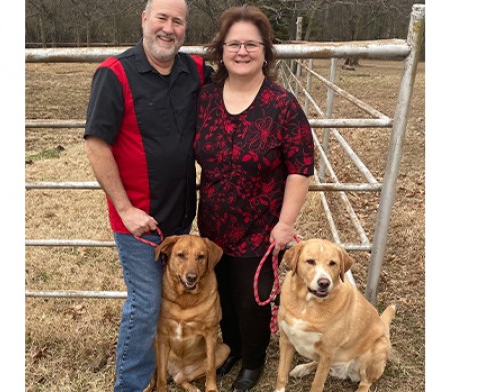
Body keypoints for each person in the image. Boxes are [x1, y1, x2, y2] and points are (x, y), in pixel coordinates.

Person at [83, 0, 212, 390]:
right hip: (138, 220)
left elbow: (240, 78)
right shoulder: (115, 73)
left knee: (174, 293)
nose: (168, 28)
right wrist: (124, 209)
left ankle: (169, 364)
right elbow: (96, 144)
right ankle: (131, 385)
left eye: (178, 21)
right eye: (161, 18)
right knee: (146, 303)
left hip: (181, 217)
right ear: (144, 19)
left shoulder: (197, 71)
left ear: (185, 28)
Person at [194, 5, 314, 392]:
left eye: (251, 44)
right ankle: (230, 349)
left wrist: (286, 224)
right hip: (212, 222)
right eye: (234, 43)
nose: (241, 51)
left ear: (265, 51)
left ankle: (253, 361)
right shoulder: (205, 99)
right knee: (223, 293)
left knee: (252, 300)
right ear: (221, 50)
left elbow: (300, 168)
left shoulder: (281, 106)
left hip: (261, 228)